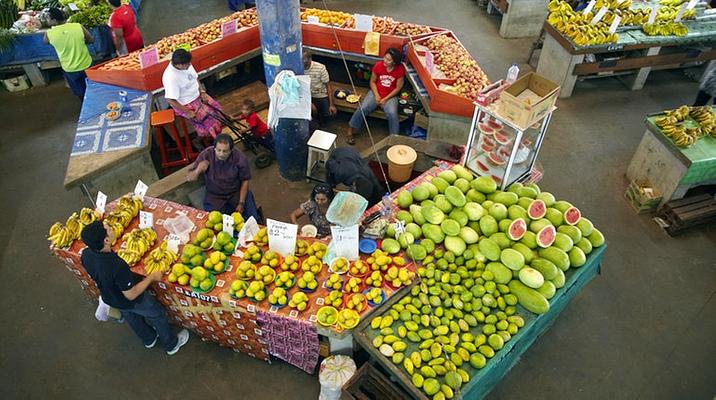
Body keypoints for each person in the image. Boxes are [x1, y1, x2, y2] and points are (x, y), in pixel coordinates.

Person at [80, 221, 190, 355]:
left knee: (131, 317)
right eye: (109, 229)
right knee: (157, 314)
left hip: (110, 297)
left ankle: (149, 339)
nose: (113, 228)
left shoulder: (86, 254)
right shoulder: (117, 266)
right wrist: (151, 277)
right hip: (131, 300)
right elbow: (131, 295)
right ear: (106, 240)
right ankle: (171, 344)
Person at [187, 133, 261, 221]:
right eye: (218, 150)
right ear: (214, 148)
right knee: (216, 224)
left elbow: (245, 180)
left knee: (253, 219)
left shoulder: (240, 158)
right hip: (215, 197)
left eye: (225, 151)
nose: (221, 154)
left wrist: (241, 203)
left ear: (231, 150)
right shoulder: (206, 154)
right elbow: (190, 177)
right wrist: (198, 170)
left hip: (235, 193)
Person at [346, 48, 405, 145]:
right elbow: (372, 82)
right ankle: (350, 130)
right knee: (363, 108)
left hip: (390, 96)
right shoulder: (378, 66)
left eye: (389, 60)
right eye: (385, 58)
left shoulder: (400, 69)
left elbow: (398, 88)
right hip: (376, 92)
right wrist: (377, 96)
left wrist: (385, 99)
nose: (385, 61)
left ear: (394, 62)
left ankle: (394, 138)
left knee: (392, 113)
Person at [162, 49, 225, 139]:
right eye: (187, 65)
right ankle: (210, 140)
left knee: (218, 111)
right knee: (209, 121)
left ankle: (218, 135)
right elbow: (170, 99)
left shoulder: (187, 64)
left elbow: (195, 78)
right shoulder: (170, 77)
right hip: (187, 104)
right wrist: (188, 111)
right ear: (180, 65)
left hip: (198, 95)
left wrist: (202, 92)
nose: (190, 65)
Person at [43, 8, 94, 101]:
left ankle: (86, 104)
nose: (46, 21)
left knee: (80, 92)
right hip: (86, 63)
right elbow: (91, 40)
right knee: (93, 88)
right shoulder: (77, 26)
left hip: (70, 68)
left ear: (54, 20)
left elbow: (46, 42)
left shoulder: (49, 34)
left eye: (48, 18)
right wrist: (80, 42)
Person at [303, 50, 336, 125]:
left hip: (320, 94)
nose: (303, 62)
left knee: (328, 114)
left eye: (304, 59)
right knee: (311, 113)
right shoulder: (298, 68)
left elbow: (328, 85)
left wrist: (332, 104)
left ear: (310, 59)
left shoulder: (320, 67)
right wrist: (309, 103)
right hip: (307, 96)